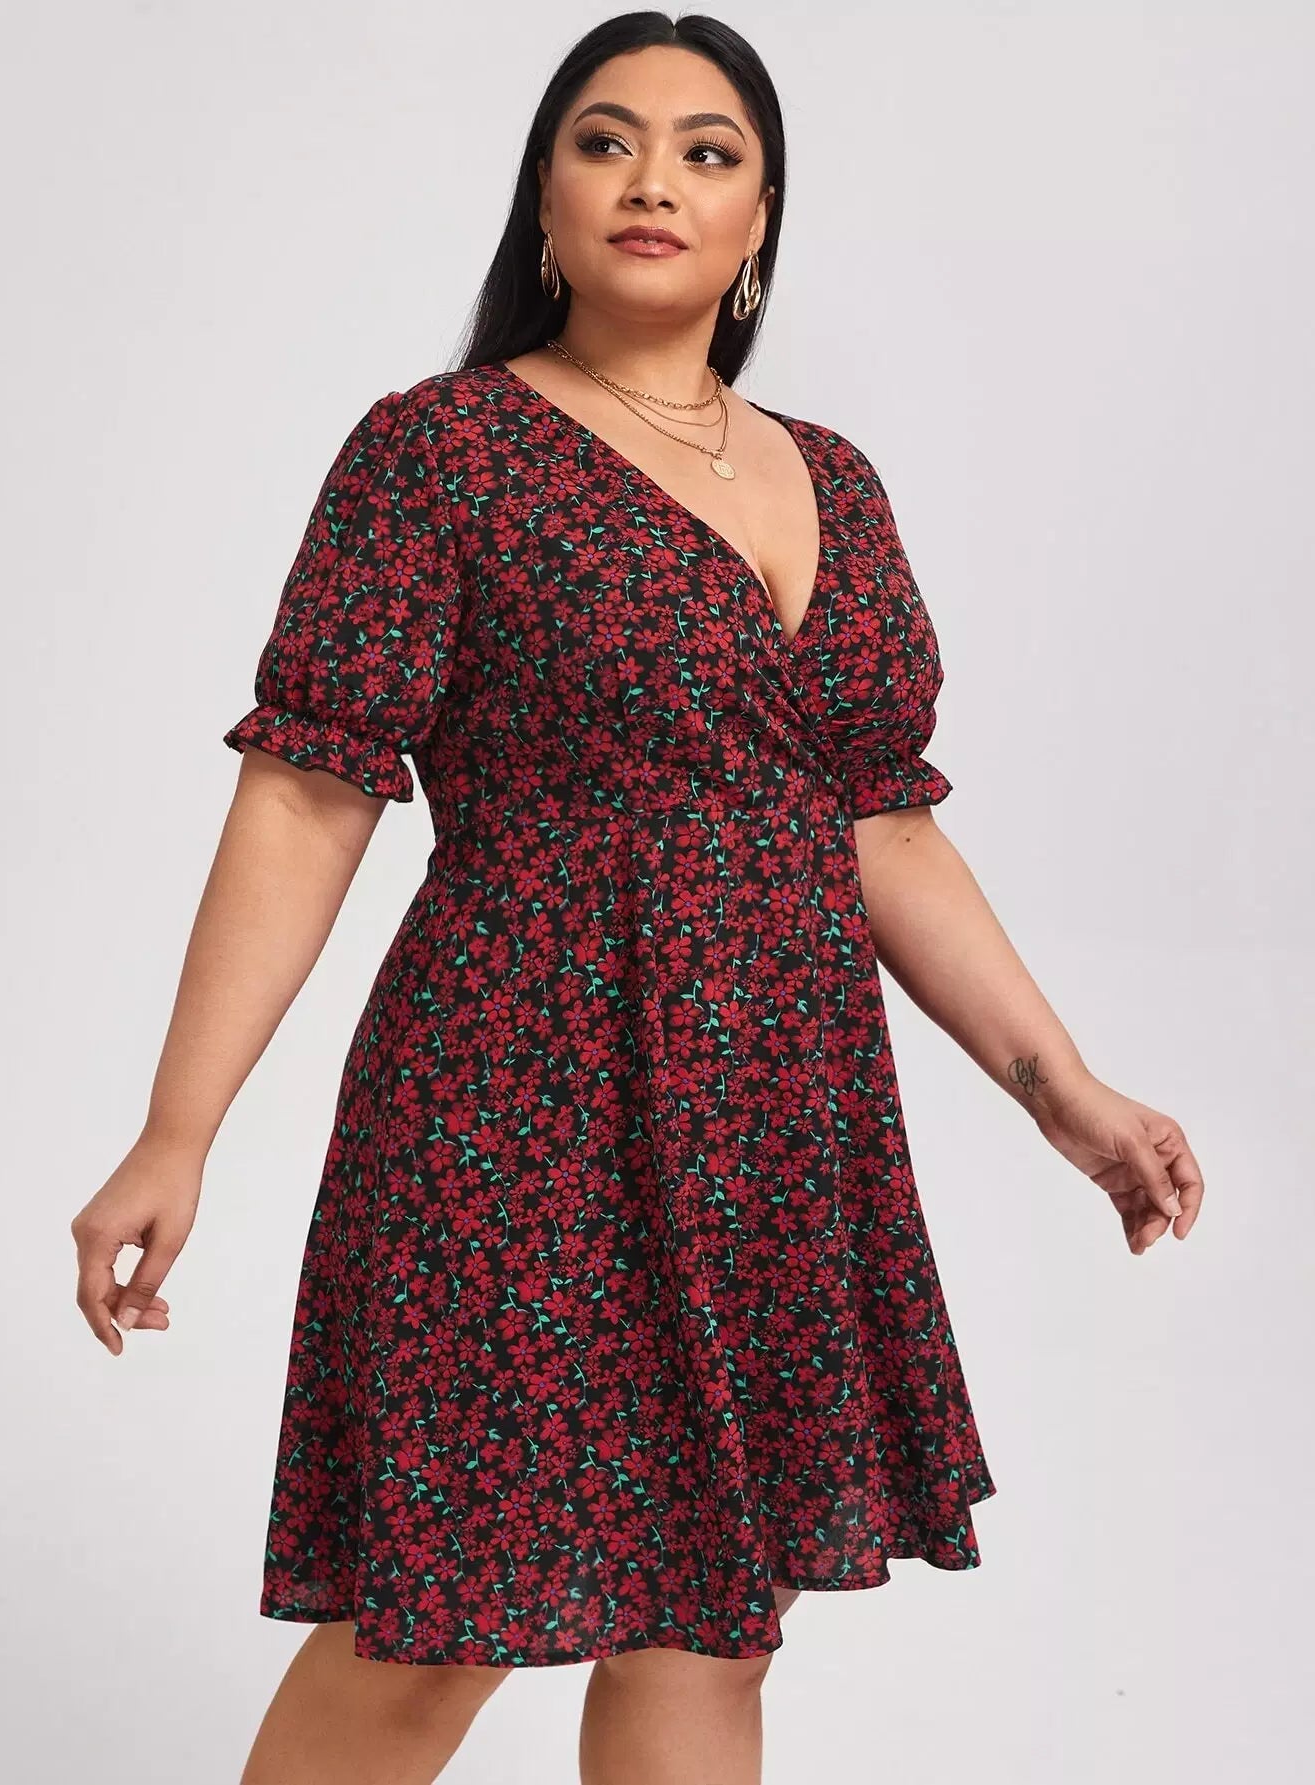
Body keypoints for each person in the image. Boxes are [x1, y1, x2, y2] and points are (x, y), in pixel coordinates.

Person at [70, 12, 1205, 1785]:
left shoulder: (837, 479)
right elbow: (306, 792)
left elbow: (880, 823)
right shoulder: (440, 449)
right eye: (604, 142)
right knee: (434, 1633)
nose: (652, 179)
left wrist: (1066, 1093)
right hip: (518, 1097)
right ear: (544, 203)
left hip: (773, 1112)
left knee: (712, 1636)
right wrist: (177, 1128)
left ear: (760, 219)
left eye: (706, 150)